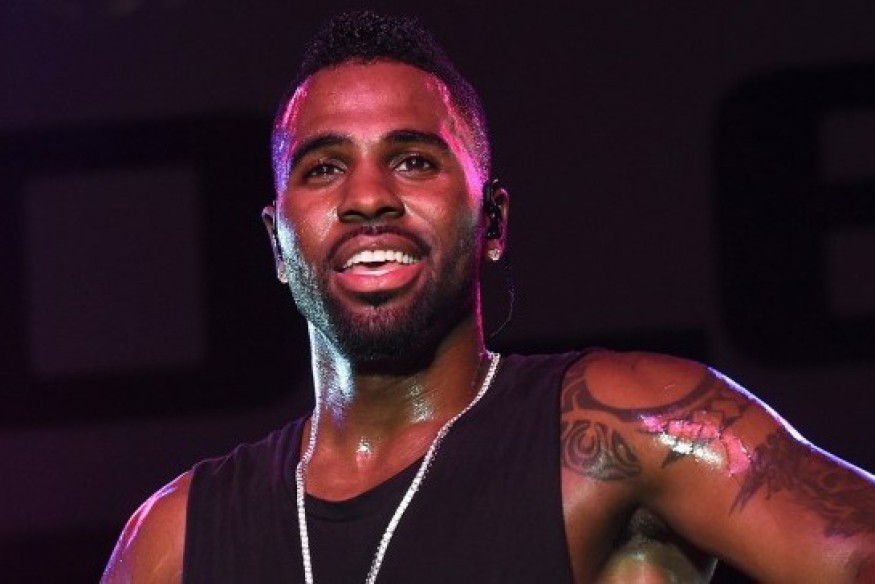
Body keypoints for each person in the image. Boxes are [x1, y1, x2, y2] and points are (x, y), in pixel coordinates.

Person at [101, 10, 875, 583]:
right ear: (277, 243)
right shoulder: (175, 540)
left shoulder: (628, 425)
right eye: (324, 168)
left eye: (413, 160)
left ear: (493, 221)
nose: (368, 198)